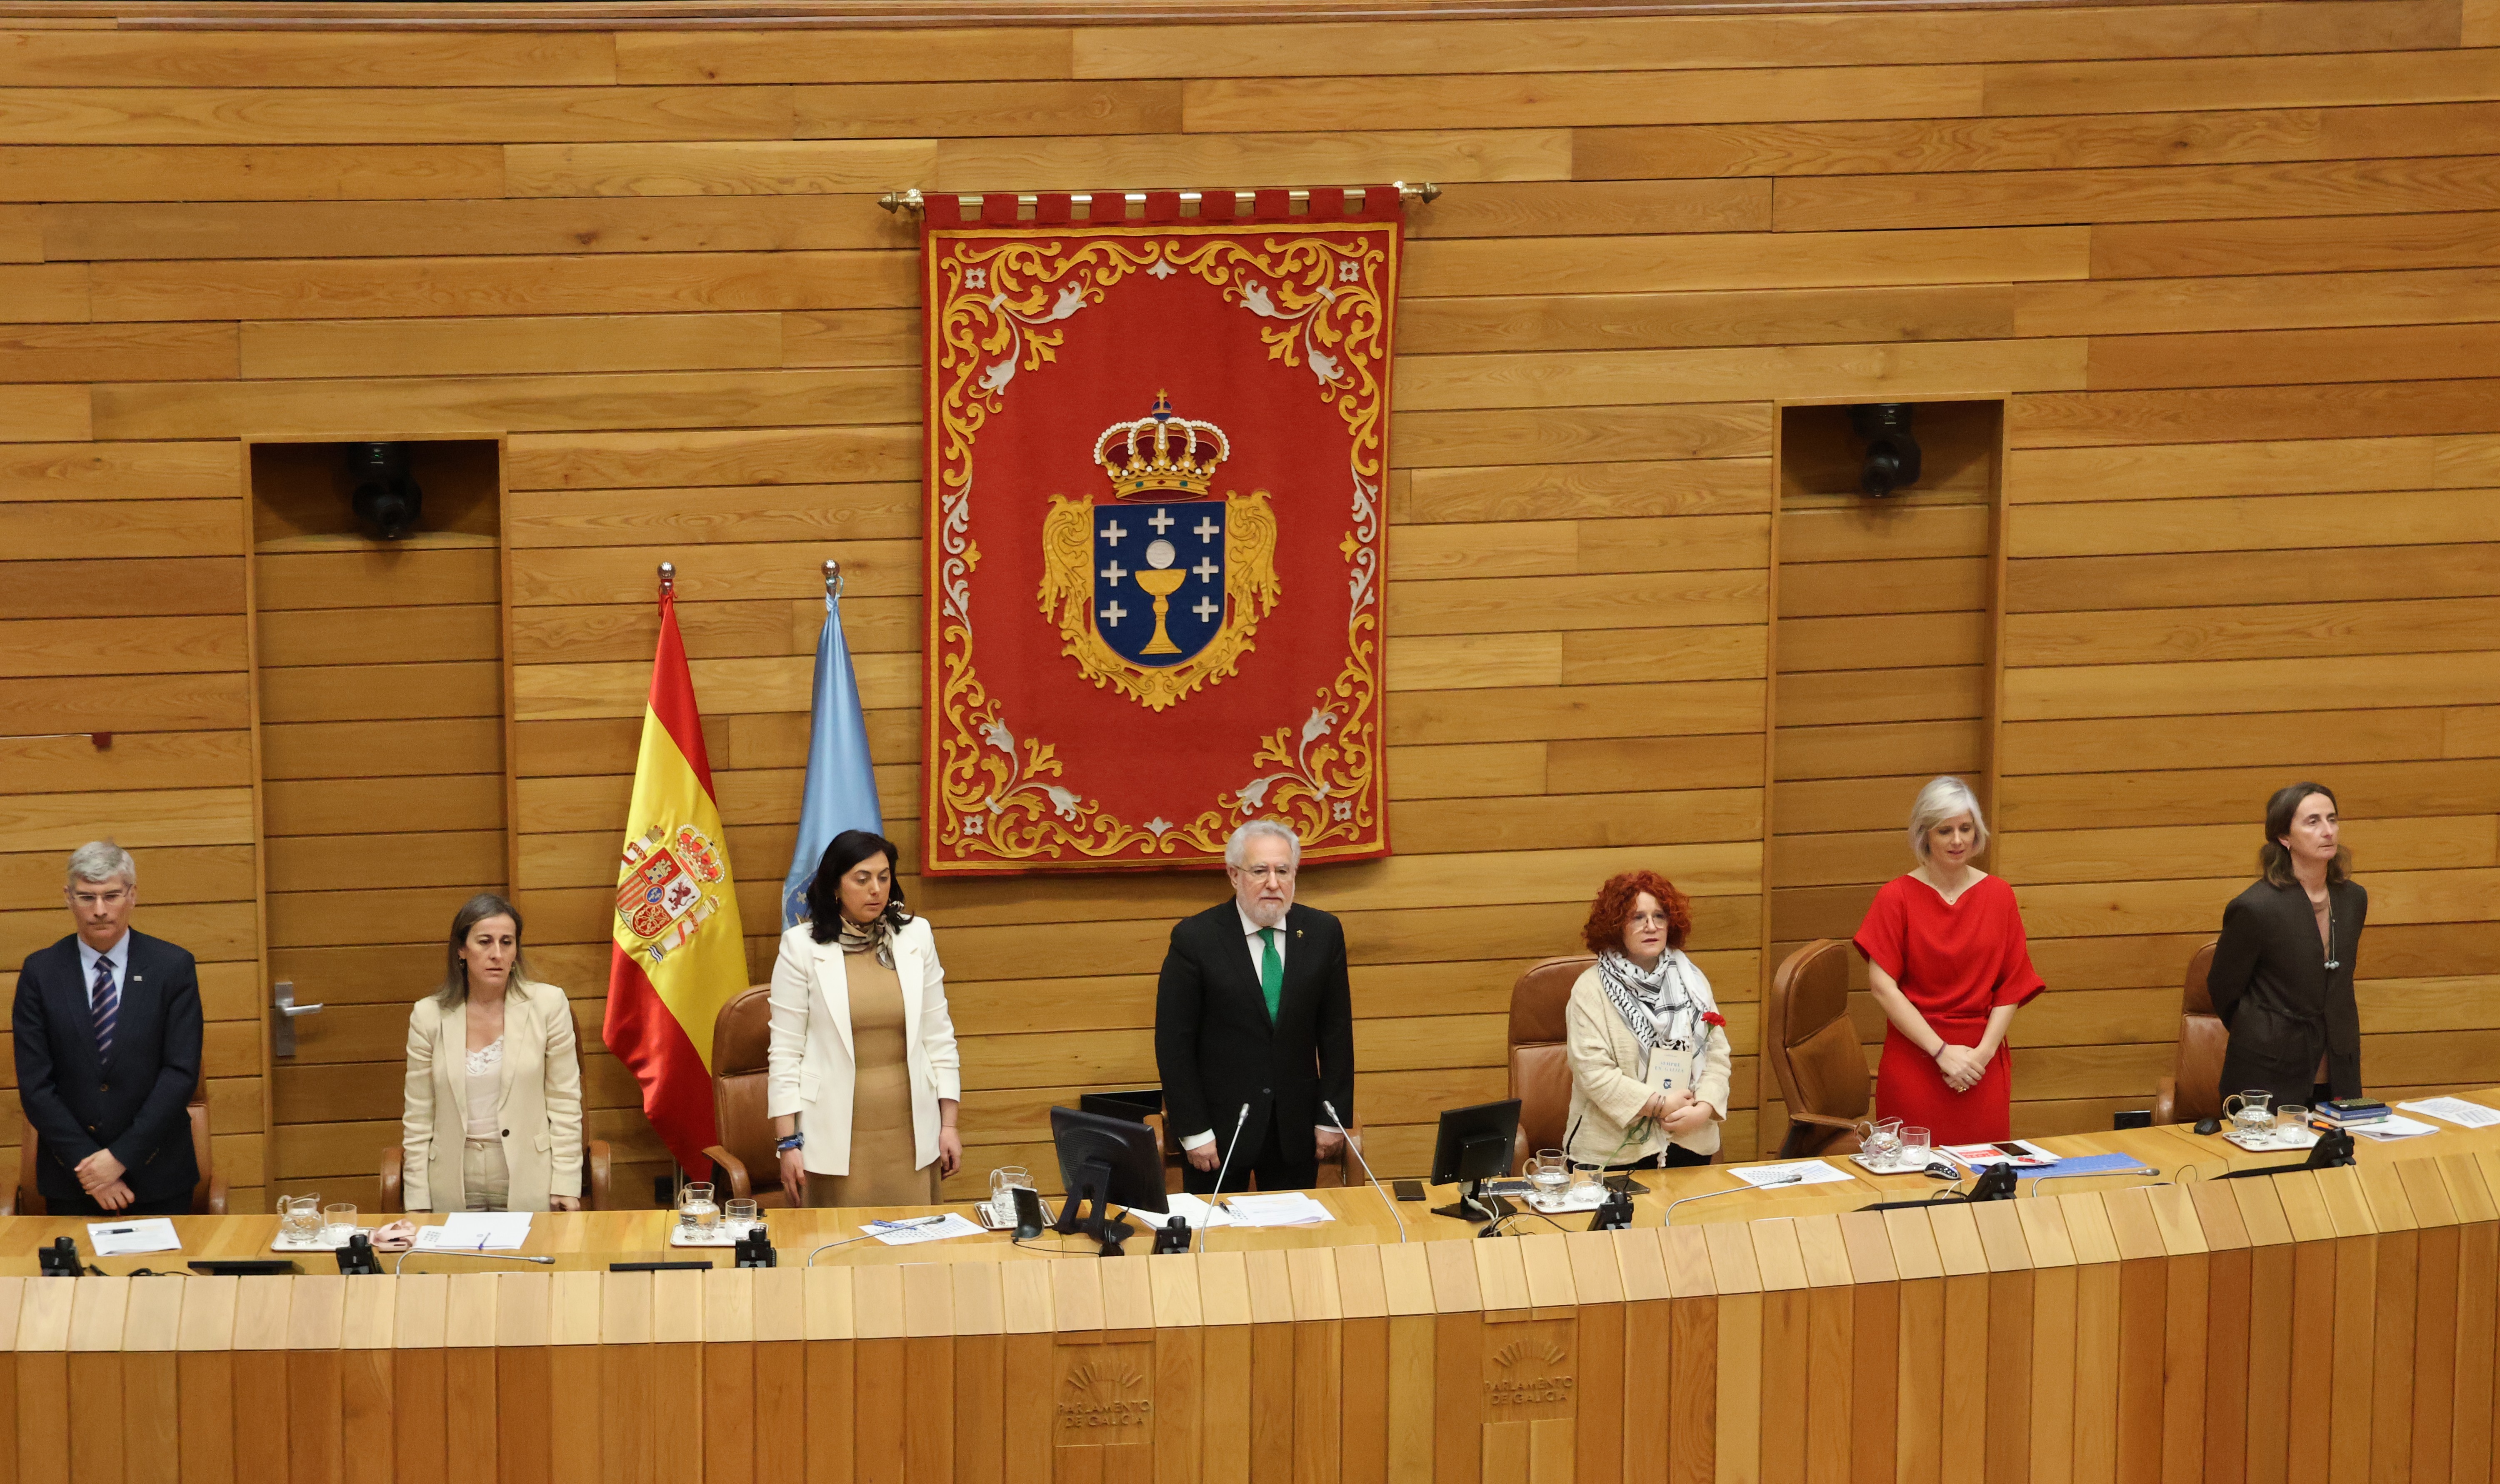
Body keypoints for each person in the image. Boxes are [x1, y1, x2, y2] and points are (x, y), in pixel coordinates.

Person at [1155, 819, 1356, 1194]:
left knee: (1295, 1244)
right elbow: (1173, 1045)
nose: (1273, 883)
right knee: (1215, 1244)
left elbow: (1337, 1034)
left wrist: (1332, 1119)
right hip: (1218, 1133)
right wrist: (1195, 1131)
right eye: (1260, 871)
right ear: (1234, 875)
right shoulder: (1196, 939)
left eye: (1283, 871)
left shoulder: (1323, 933)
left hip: (1295, 1131)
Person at [769, 829, 962, 1206]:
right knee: (839, 1253)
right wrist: (786, 1143)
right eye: (863, 879)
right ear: (836, 887)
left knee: (914, 1253)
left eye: (884, 877)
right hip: (833, 1133)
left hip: (910, 1130)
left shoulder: (916, 937)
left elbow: (940, 1036)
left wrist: (949, 1125)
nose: (876, 889)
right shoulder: (801, 948)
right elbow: (785, 1053)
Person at [12, 842, 204, 1216]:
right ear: (68, 897)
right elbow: (36, 1084)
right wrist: (91, 1167)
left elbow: (180, 1073)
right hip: (73, 1177)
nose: (99, 911)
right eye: (87, 897)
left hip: (158, 1173)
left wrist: (119, 1159)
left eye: (111, 896)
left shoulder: (172, 967)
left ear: (132, 895)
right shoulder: (41, 972)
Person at [1853, 777, 2045, 1144]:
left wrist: (1982, 1057)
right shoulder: (1896, 897)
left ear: (1977, 833)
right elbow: (1882, 987)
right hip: (1917, 1062)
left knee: (1984, 1183)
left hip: (1981, 1066)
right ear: (1925, 835)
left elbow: (2013, 985)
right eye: (1945, 830)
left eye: (1966, 829)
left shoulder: (2000, 895)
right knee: (1911, 1183)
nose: (1958, 840)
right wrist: (1941, 1052)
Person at [401, 894, 584, 1213]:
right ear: (461, 949)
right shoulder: (428, 1016)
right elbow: (419, 1116)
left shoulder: (549, 1005)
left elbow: (565, 1102)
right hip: (452, 1176)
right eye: (484, 942)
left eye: (507, 942)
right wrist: (416, 1198)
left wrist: (566, 1184)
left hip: (530, 1174)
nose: (497, 954)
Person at [2208, 782, 2367, 1112]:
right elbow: (2224, 988)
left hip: (2339, 1066)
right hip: (2269, 1069)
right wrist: (2265, 1034)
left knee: (2338, 1160)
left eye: (2332, 820)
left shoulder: (2353, 899)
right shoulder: (2256, 907)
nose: (2327, 831)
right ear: (2284, 837)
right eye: (2313, 822)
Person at [1562, 871, 1732, 1169]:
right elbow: (1594, 1074)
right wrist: (1659, 1105)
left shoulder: (1692, 980)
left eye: (1660, 916)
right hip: (1613, 1152)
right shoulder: (1590, 990)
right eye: (1637, 918)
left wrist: (1704, 1108)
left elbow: (1717, 1055)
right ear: (1616, 926)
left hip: (1688, 1139)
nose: (1651, 927)